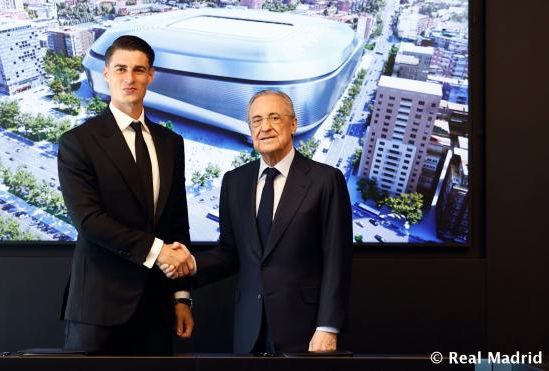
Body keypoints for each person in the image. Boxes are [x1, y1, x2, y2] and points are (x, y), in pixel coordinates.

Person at [163, 90, 352, 354]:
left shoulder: (326, 180)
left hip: (306, 331)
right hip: (248, 330)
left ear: (293, 124)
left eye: (274, 118)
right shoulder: (234, 181)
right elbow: (230, 252)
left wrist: (328, 327)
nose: (265, 127)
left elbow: (337, 259)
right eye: (257, 120)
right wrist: (192, 263)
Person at [57, 35, 195, 355]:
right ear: (106, 73)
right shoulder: (78, 142)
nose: (129, 78)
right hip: (99, 308)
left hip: (158, 307)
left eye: (138, 70)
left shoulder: (170, 143)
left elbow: (177, 225)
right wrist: (158, 251)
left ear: (150, 76)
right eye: (120, 69)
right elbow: (89, 221)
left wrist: (181, 297)